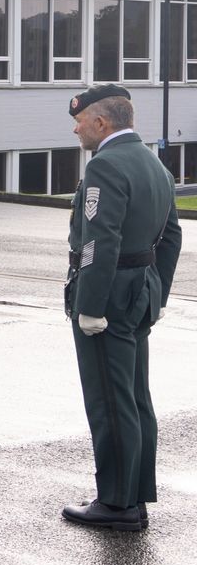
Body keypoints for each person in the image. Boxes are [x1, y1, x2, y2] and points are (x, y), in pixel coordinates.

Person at [61, 84, 180, 531]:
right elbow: (171, 236)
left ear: (101, 122)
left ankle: (116, 504)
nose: (76, 128)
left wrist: (90, 305)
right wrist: (159, 293)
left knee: (110, 401)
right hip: (140, 291)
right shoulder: (154, 163)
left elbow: (99, 240)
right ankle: (134, 494)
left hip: (107, 295)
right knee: (134, 397)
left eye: (79, 120)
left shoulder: (106, 166)